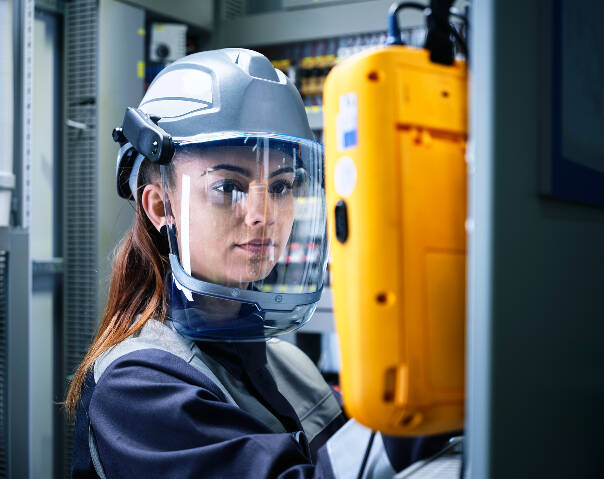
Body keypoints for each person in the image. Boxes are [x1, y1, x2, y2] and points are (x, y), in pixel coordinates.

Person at [65, 48, 453, 479]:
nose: (263, 214)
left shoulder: (291, 366)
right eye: (229, 186)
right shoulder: (135, 388)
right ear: (160, 206)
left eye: (282, 186)